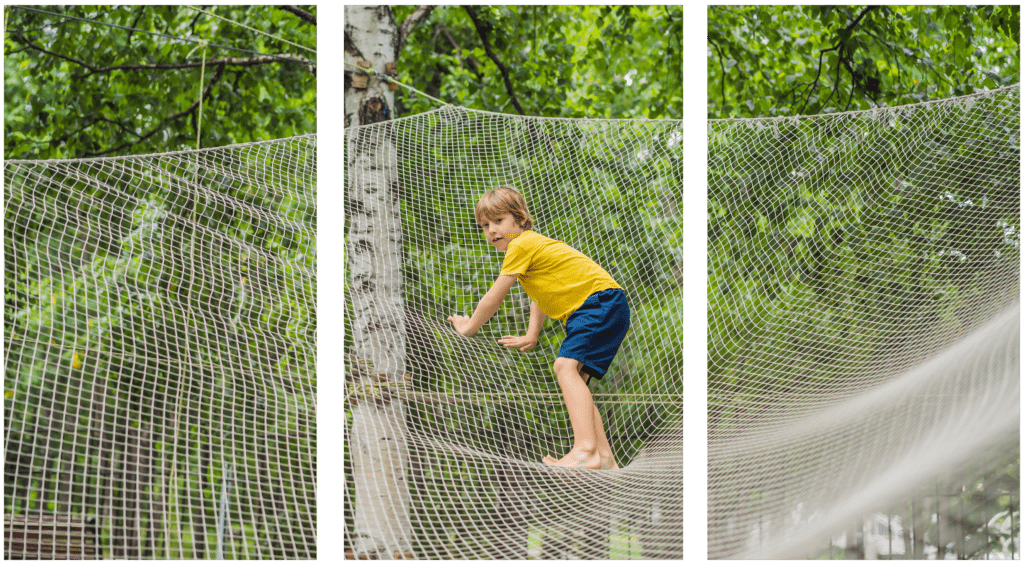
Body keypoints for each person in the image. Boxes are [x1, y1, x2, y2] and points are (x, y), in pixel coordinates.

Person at [447, 186, 630, 470]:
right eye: (484, 225)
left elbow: (493, 297)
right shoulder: (530, 248)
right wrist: (532, 334)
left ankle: (585, 450)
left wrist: (468, 326)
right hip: (603, 304)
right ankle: (604, 457)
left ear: (520, 219)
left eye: (498, 221)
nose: (491, 230)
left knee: (563, 367)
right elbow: (540, 295)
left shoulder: (520, 245)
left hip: (598, 303)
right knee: (576, 379)